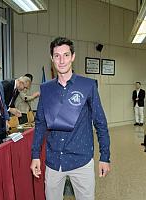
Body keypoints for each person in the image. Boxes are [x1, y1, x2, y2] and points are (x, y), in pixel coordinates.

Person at [30, 37, 111, 200]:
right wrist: (35, 155)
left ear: (73, 57)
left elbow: (100, 123)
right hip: (53, 160)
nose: (61, 60)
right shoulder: (46, 89)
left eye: (66, 55)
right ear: (52, 58)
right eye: (57, 55)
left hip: (81, 159)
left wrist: (105, 157)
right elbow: (40, 124)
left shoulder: (87, 86)